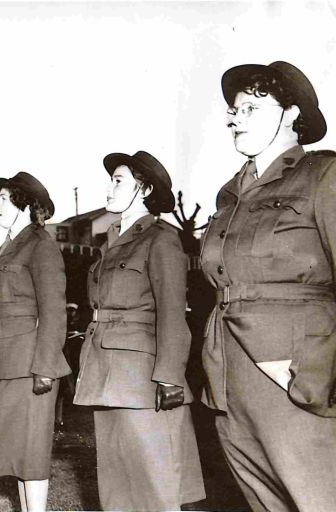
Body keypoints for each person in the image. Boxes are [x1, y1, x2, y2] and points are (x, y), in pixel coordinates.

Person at [200, 61, 336, 512]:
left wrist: (322, 374)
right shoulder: (230, 195)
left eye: (251, 108)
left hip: (297, 374)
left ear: (290, 114)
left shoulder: (322, 176)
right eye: (233, 110)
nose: (233, 117)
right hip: (229, 375)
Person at [73, 151, 205, 511]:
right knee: (116, 481)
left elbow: (172, 312)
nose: (110, 187)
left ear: (143, 188)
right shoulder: (113, 239)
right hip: (105, 371)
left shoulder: (160, 239)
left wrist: (169, 376)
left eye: (119, 180)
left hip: (142, 376)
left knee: (153, 481)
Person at [0, 172, 70, 512]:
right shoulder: (12, 245)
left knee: (32, 453)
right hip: (3, 360)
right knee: (18, 453)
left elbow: (54, 311)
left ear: (24, 204)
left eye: (3, 198)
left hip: (29, 365)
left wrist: (45, 367)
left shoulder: (41, 245)